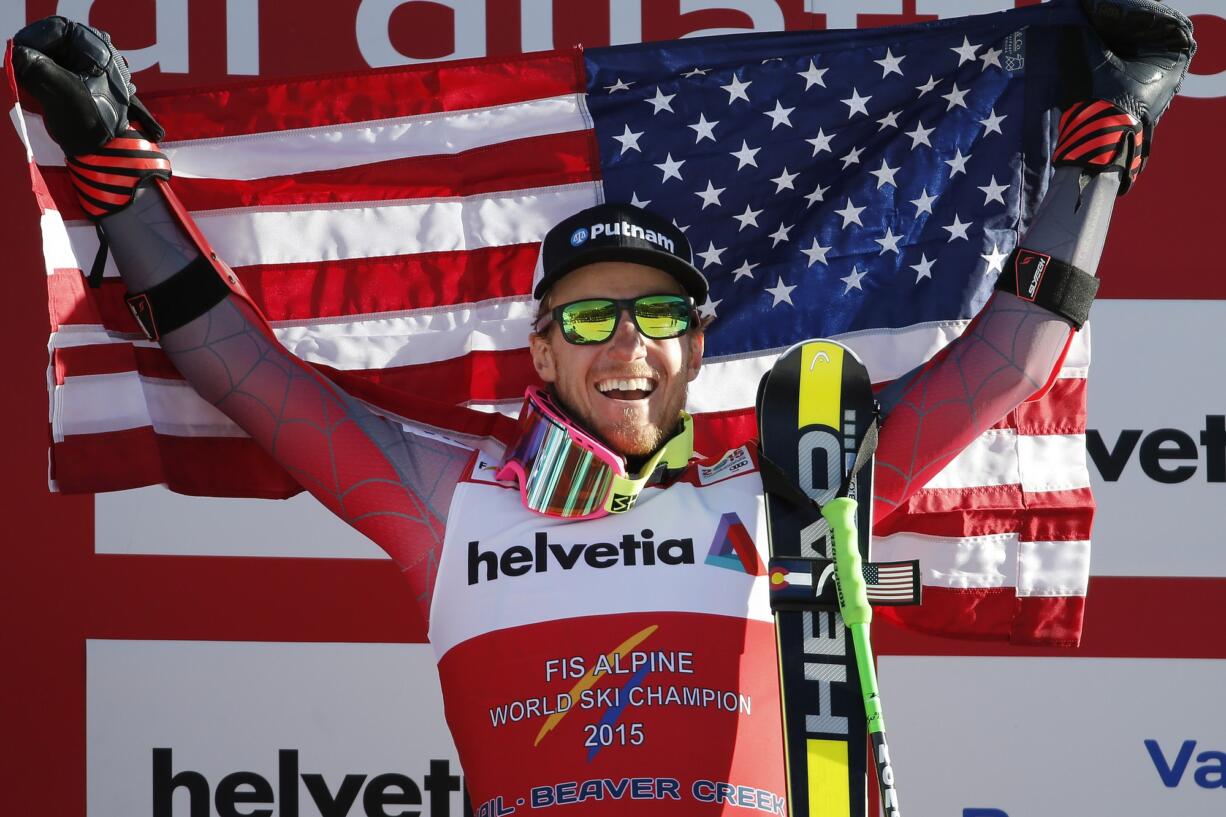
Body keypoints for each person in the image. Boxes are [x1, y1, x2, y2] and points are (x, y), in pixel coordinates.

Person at [12, 1, 1195, 812]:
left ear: (693, 352)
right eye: (589, 317)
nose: (624, 341)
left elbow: (1005, 359)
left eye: (656, 317)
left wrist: (1101, 151)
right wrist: (117, 177)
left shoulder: (796, 492)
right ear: (539, 349)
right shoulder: (447, 505)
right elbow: (246, 376)